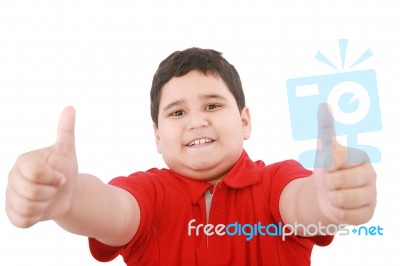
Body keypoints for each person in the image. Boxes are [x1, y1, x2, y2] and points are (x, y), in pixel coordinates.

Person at [5, 48, 377, 265]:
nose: (197, 122)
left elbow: (302, 203)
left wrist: (330, 199)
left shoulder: (276, 182)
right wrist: (67, 200)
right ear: (157, 136)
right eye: (177, 113)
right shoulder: (148, 191)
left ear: (245, 121)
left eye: (212, 105)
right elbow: (112, 210)